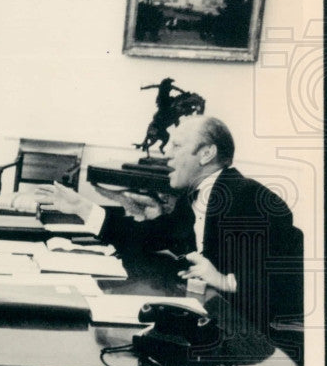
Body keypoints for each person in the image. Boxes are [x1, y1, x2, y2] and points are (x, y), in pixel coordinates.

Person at [40, 115, 303, 328]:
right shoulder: (195, 198)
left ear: (206, 153)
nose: (167, 154)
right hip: (210, 315)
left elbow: (287, 280)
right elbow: (146, 236)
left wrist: (225, 280)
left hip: (249, 332)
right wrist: (83, 208)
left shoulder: (250, 197)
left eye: (177, 146)